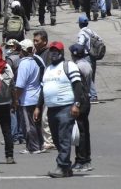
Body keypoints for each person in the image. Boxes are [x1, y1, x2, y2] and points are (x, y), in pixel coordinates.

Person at [34, 41, 84, 178]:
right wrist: (38, 107)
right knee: (56, 139)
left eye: (56, 51)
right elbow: (43, 89)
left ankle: (61, 166)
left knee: (64, 138)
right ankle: (67, 167)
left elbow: (78, 86)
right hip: (51, 109)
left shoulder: (69, 66)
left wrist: (76, 104)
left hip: (66, 108)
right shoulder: (48, 69)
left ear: (61, 53)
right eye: (52, 51)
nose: (53, 53)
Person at [14, 39, 45, 154]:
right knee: (36, 123)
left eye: (20, 50)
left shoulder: (24, 63)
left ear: (23, 50)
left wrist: (16, 98)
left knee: (28, 124)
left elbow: (20, 85)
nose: (19, 52)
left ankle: (33, 147)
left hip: (27, 98)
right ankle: (39, 144)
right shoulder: (38, 59)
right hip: (37, 96)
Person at [68, 44, 93, 172]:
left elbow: (77, 86)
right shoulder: (87, 64)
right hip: (86, 99)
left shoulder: (77, 67)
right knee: (84, 131)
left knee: (80, 131)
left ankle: (81, 160)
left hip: (81, 100)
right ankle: (86, 159)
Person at [76, 15, 99, 103]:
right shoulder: (91, 31)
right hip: (93, 56)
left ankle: (93, 96)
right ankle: (90, 94)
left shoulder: (82, 32)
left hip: (87, 56)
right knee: (91, 76)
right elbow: (100, 39)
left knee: (87, 76)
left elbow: (80, 44)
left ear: (80, 24)